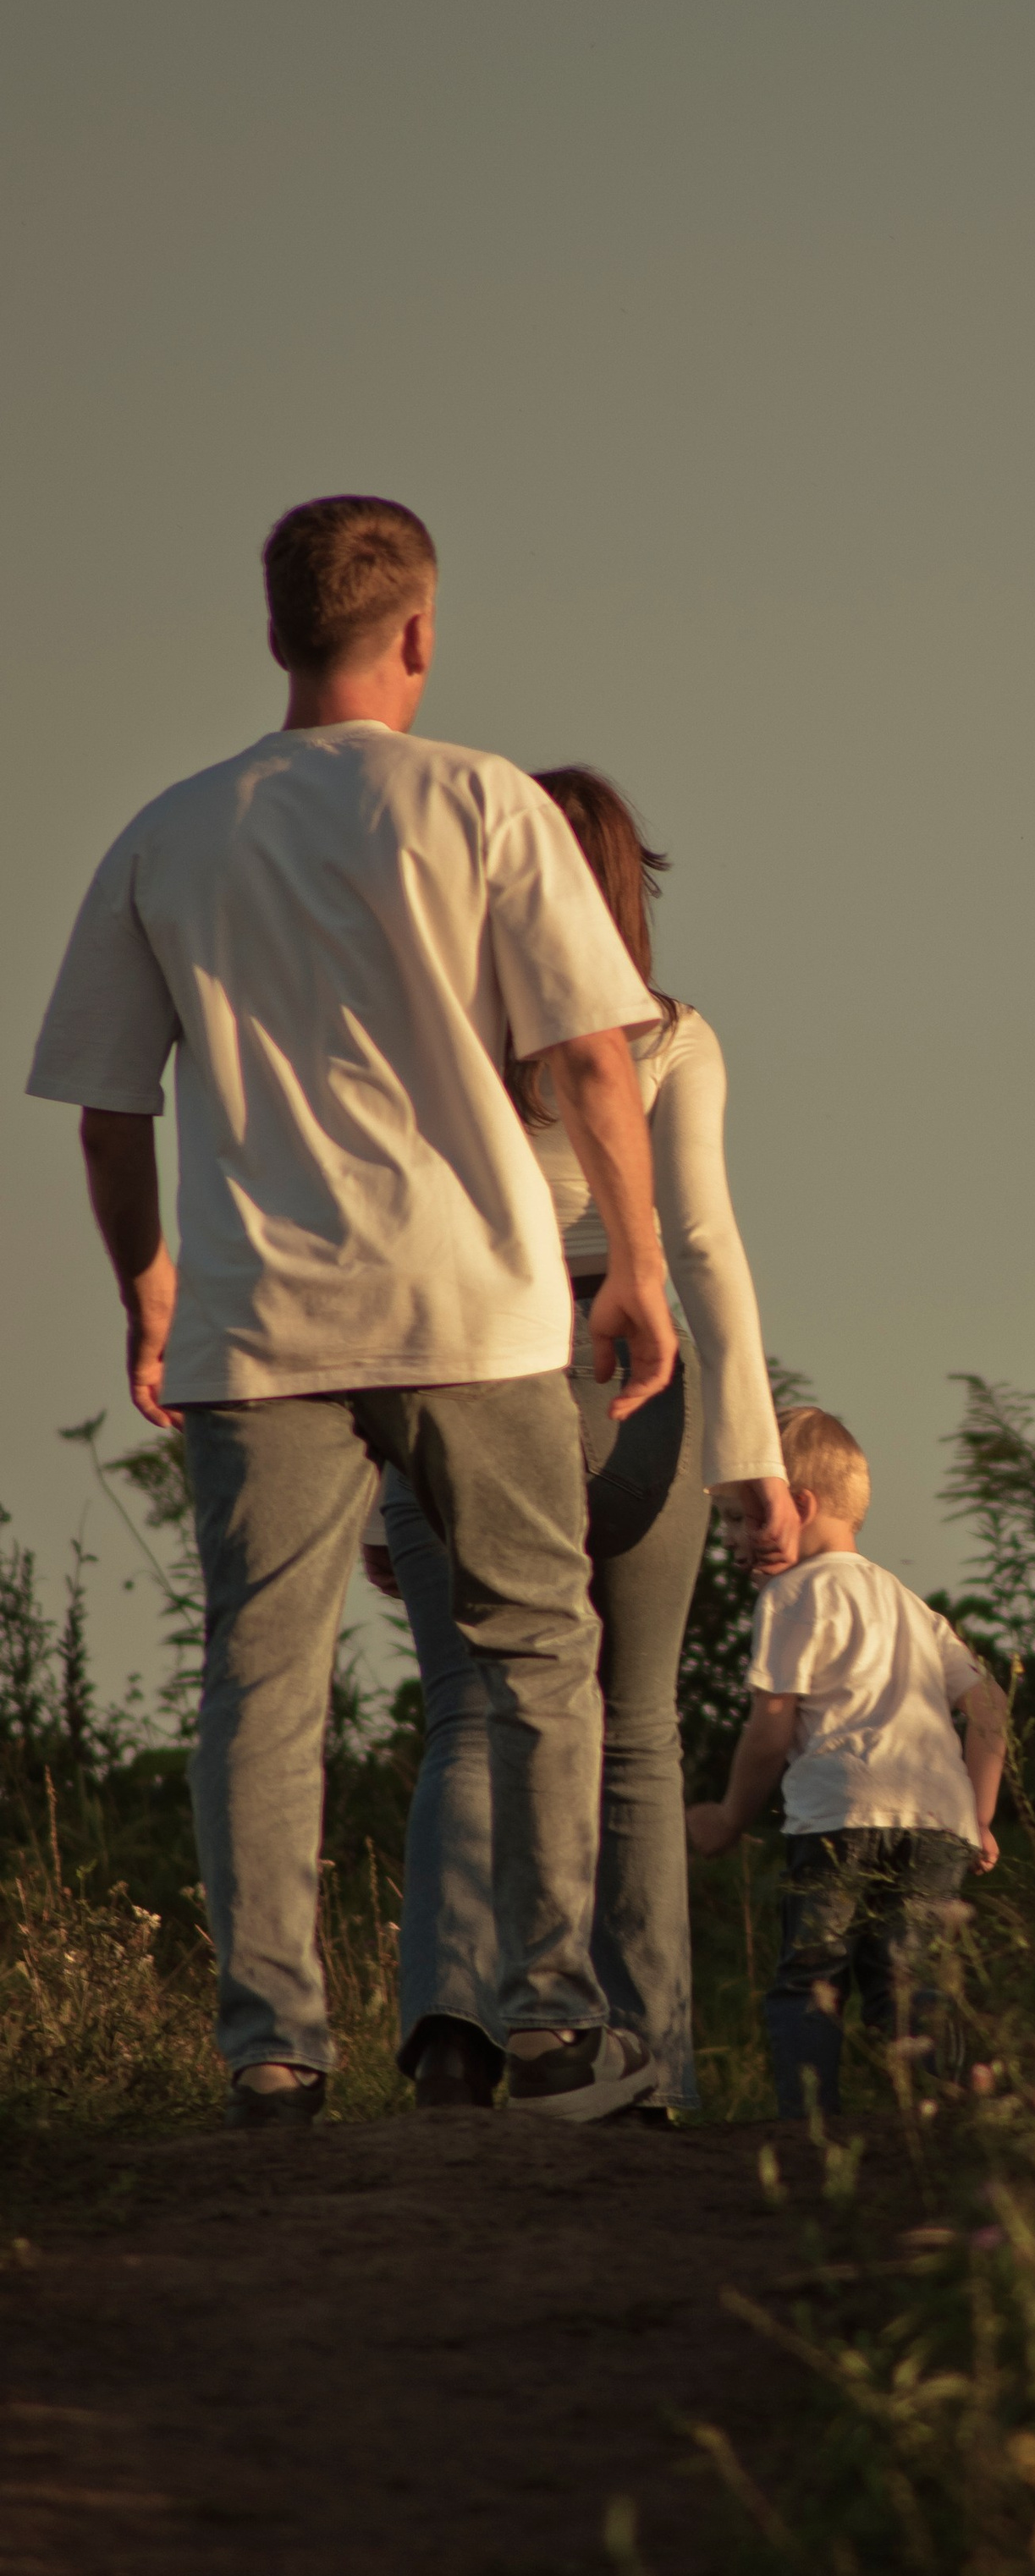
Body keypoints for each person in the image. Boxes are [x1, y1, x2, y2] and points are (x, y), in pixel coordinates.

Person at [24, 492, 782, 2126]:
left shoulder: (171, 828)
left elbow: (105, 1104)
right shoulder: (488, 807)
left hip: (258, 1320)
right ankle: (551, 2007)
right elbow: (594, 1055)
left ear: (276, 636)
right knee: (536, 1654)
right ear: (420, 635)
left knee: (260, 1679)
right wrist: (639, 1270)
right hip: (478, 1309)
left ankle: (275, 2049)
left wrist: (149, 1290)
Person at [373, 766, 786, 2114]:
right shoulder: (671, 1038)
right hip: (633, 1391)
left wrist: (393, 1485)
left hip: (466, 1382)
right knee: (638, 1733)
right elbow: (707, 1248)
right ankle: (649, 2062)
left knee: (470, 1715)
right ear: (626, 892)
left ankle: (453, 2029)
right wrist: (753, 1459)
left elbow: (408, 1245)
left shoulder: (433, 1039)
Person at [685, 1407, 1008, 2120]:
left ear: (797, 1507)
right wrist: (978, 1816)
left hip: (840, 1812)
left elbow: (771, 1731)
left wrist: (732, 1817)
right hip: (939, 1820)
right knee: (912, 1984)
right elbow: (991, 1710)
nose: (734, 1542)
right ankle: (962, 2113)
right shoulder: (911, 1605)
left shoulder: (793, 1594)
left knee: (812, 1975)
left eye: (742, 1519)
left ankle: (810, 2129)